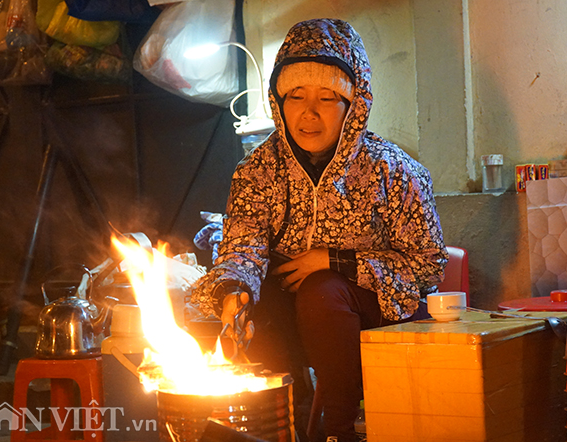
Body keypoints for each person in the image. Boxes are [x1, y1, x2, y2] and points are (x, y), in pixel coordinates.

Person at [191, 18, 448, 442]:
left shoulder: (392, 169)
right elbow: (244, 246)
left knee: (322, 291)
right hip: (296, 316)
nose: (308, 113)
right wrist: (233, 290)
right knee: (248, 300)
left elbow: (428, 265)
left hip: (374, 314)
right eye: (295, 95)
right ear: (279, 100)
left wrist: (334, 262)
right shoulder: (258, 171)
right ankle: (284, 424)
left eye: (327, 97)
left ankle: (340, 431)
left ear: (354, 104)